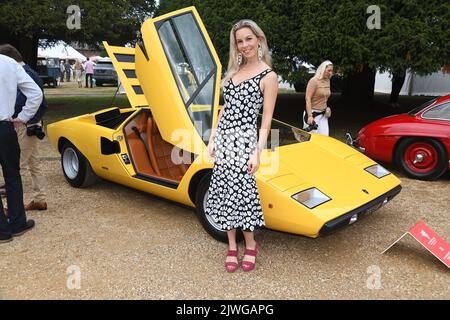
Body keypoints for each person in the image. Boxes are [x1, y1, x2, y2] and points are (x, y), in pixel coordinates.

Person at [205, 20, 278, 272]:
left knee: (245, 196)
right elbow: (224, 110)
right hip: (225, 142)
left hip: (246, 143)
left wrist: (257, 152)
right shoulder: (232, 75)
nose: (244, 45)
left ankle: (251, 244)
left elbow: (267, 118)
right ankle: (232, 246)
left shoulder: (268, 76)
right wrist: (213, 137)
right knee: (226, 193)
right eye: (239, 41)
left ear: (259, 39)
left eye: (248, 39)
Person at [0, 44, 48, 212]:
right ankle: (40, 199)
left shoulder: (23, 73)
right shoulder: (30, 72)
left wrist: (19, 118)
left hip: (25, 125)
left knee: (14, 167)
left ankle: (8, 207)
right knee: (34, 163)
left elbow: (34, 99)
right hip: (32, 125)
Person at [303, 60, 333, 136]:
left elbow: (325, 96)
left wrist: (326, 108)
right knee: (311, 140)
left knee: (325, 138)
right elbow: (307, 98)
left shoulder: (327, 80)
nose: (330, 73)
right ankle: (274, 144)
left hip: (323, 115)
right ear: (323, 69)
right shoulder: (314, 81)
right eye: (328, 70)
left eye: (331, 71)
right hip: (313, 114)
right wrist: (310, 116)